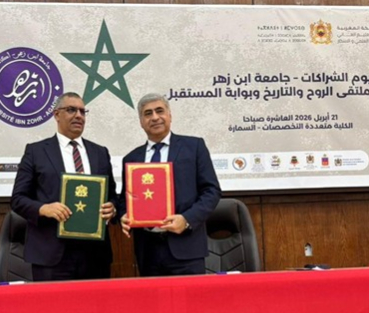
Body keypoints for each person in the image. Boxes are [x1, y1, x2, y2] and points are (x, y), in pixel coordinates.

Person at [11, 92, 117, 281]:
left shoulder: (100, 153)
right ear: (56, 115)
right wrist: (44, 208)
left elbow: (112, 196)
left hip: (94, 255)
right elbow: (18, 199)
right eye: (71, 110)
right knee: (53, 302)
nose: (79, 116)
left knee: (95, 302)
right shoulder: (36, 152)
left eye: (83, 111)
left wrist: (113, 208)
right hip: (51, 254)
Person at [118, 93, 221, 276]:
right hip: (148, 252)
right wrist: (124, 215)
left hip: (186, 248)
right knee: (152, 296)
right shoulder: (131, 159)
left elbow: (211, 191)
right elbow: (124, 200)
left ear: (169, 115)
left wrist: (187, 220)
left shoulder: (194, 147)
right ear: (141, 122)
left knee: (190, 296)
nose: (155, 117)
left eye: (160, 111)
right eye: (148, 113)